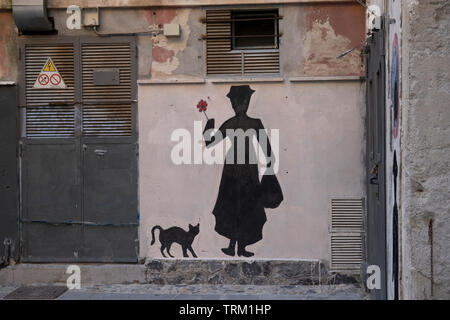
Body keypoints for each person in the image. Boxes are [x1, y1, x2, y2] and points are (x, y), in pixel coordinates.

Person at [203, 85, 280, 257]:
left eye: (239, 102)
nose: (238, 105)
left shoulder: (246, 123)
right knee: (235, 206)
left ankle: (239, 246)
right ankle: (235, 246)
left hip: (241, 170)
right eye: (237, 102)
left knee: (243, 207)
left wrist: (209, 127)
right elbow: (267, 151)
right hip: (237, 170)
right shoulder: (246, 123)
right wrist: (209, 125)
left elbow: (210, 141)